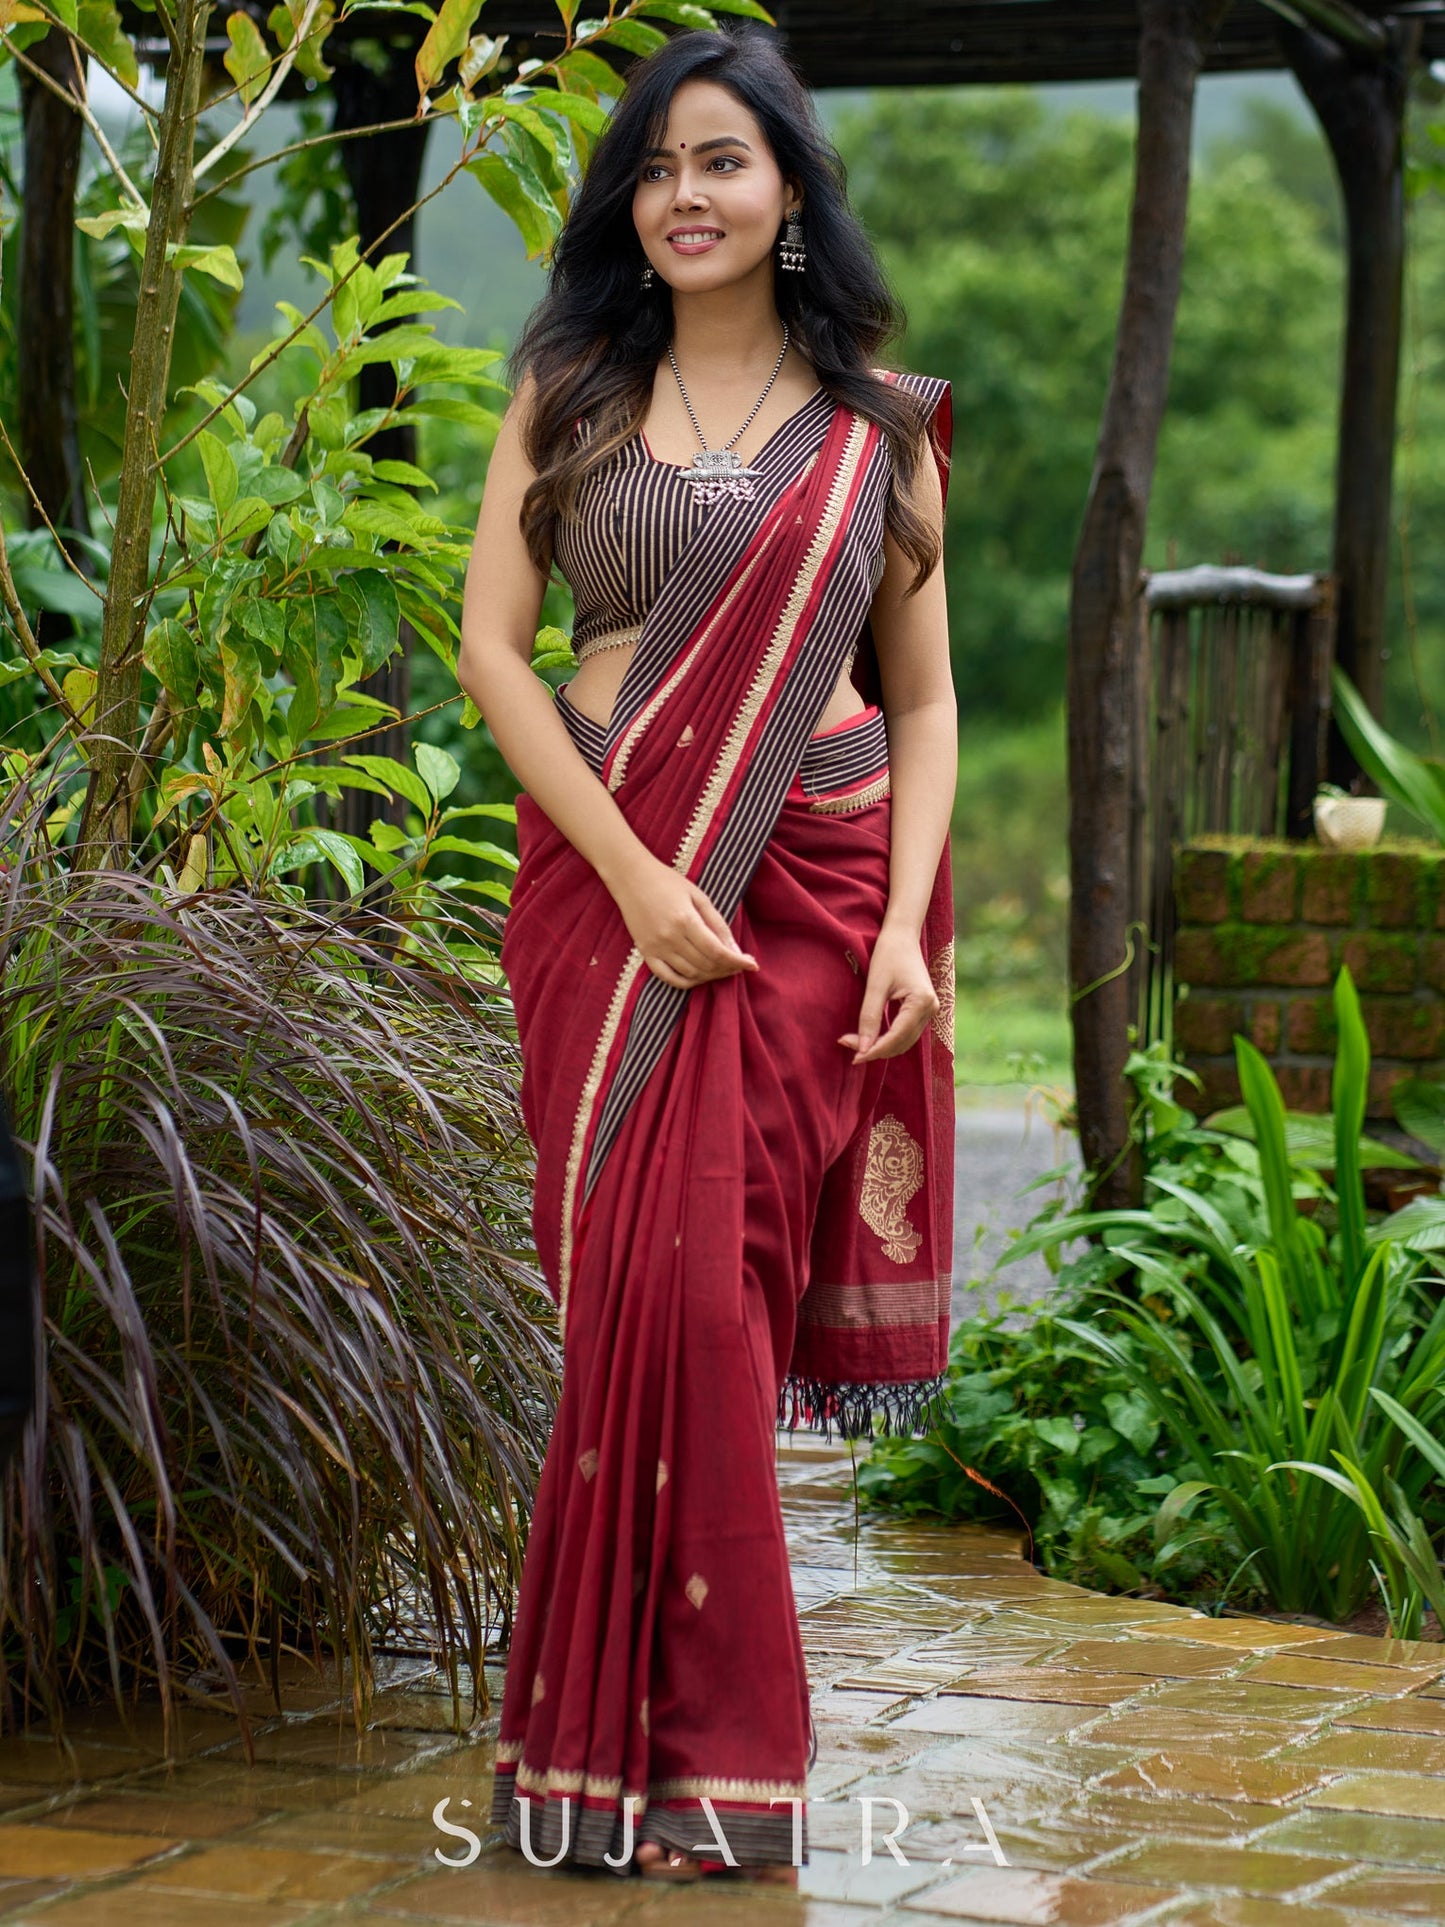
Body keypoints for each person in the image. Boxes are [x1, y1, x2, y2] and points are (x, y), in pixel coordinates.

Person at [456, 22, 956, 1886]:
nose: (686, 193)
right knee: (634, 1314)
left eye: (724, 160)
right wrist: (640, 876)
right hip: (608, 898)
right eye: (659, 164)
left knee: (709, 1307)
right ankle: (598, 1760)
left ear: (790, 194)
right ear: (628, 197)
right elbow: (494, 648)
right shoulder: (568, 387)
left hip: (804, 908)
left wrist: (905, 919)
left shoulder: (877, 433)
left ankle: (713, 1766)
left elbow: (922, 692)